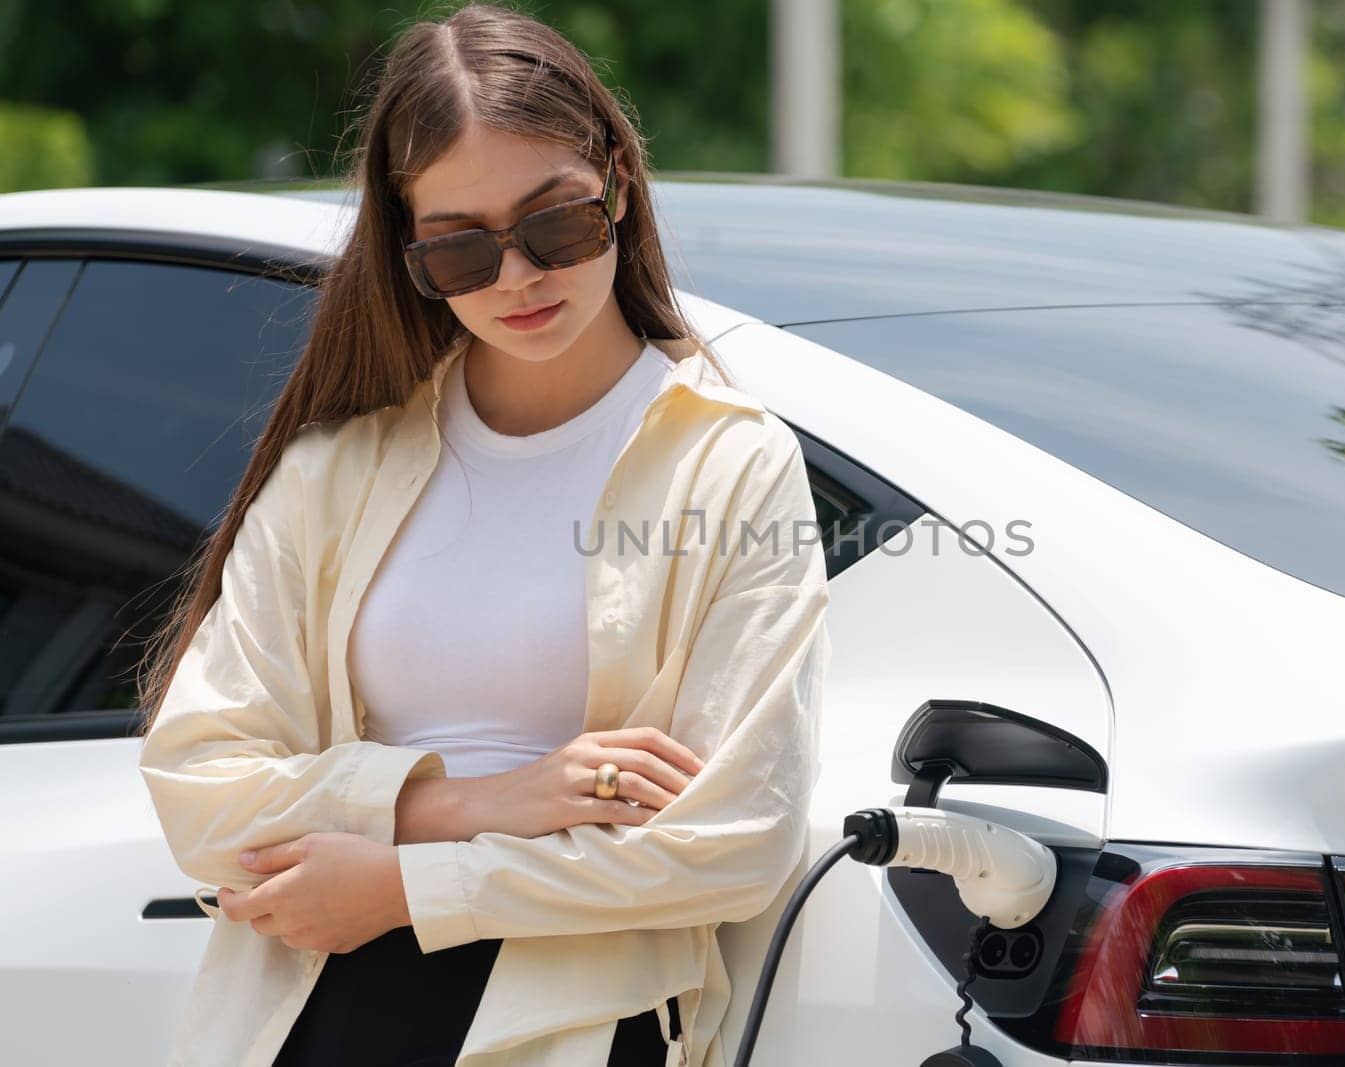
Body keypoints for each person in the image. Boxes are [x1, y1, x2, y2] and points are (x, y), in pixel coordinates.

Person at [134, 3, 832, 1065]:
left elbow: (735, 844)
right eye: (460, 249)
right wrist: (471, 801)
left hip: (565, 1026)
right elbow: (199, 790)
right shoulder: (338, 468)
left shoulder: (728, 463)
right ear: (408, 248)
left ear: (620, 187)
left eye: (557, 224)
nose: (517, 278)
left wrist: (406, 882)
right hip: (302, 1015)